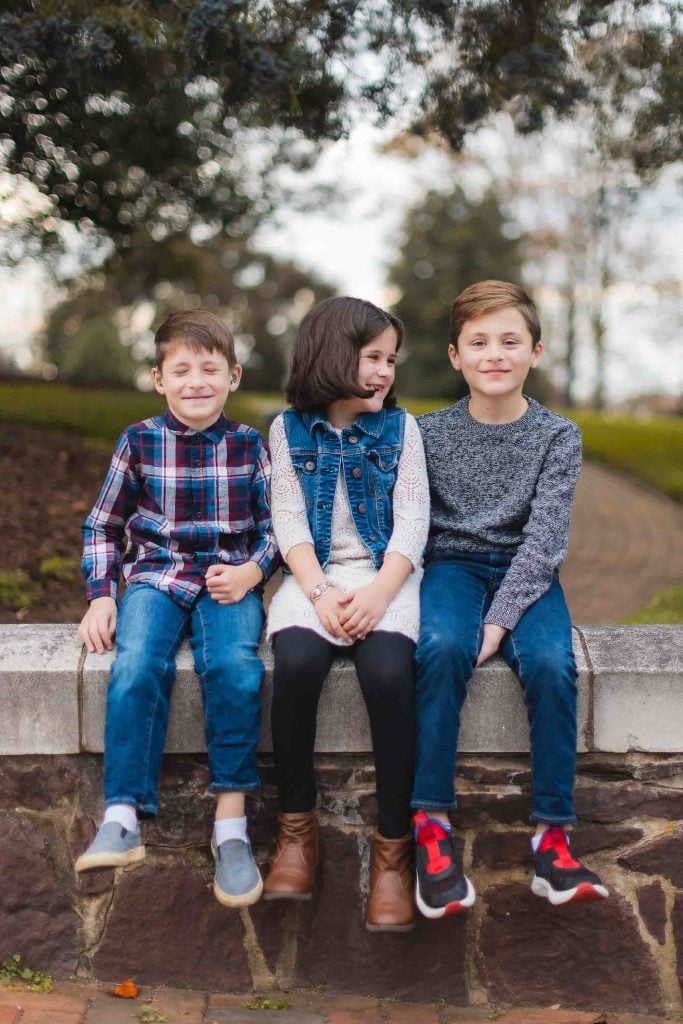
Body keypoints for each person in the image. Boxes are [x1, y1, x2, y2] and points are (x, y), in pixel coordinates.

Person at [412, 280, 608, 919]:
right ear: (455, 356)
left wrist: (498, 624)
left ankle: (553, 840)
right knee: (440, 648)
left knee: (553, 665)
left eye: (509, 341)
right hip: (452, 566)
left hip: (529, 571)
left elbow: (546, 541)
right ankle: (432, 830)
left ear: (535, 351)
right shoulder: (426, 433)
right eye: (479, 342)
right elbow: (416, 528)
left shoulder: (559, 436)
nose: (494, 354)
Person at [75, 310, 278, 909]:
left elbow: (277, 531)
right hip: (155, 577)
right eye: (181, 369)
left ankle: (231, 830)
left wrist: (253, 571)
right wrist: (102, 594)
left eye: (209, 369)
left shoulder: (249, 445)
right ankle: (122, 817)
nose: (196, 381)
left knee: (236, 669)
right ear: (159, 378)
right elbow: (102, 525)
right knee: (136, 663)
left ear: (233, 376)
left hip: (227, 581)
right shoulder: (138, 439)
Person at [263, 296, 430, 932]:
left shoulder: (402, 429)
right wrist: (320, 592)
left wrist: (380, 595)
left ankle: (393, 853)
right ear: (334, 356)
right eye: (372, 357)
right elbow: (288, 518)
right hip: (314, 580)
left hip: (386, 578)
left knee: (388, 675)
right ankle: (296, 834)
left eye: (391, 360)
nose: (385, 371)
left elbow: (414, 521)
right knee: (299, 665)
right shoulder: (287, 429)